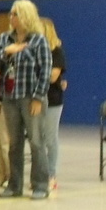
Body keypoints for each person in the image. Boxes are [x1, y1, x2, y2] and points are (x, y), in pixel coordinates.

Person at [0, 0, 51, 200]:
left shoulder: (39, 40)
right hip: (9, 96)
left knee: (36, 141)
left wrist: (38, 98)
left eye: (15, 14)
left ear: (26, 16)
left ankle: (40, 185)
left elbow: (45, 70)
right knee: (14, 143)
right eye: (10, 14)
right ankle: (14, 185)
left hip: (31, 97)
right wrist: (7, 52)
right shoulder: (4, 39)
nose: (11, 18)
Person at [41, 17, 66, 191]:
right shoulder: (36, 51)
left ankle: (51, 174)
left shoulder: (56, 52)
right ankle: (40, 173)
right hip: (36, 98)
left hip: (52, 99)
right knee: (38, 139)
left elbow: (53, 77)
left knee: (50, 138)